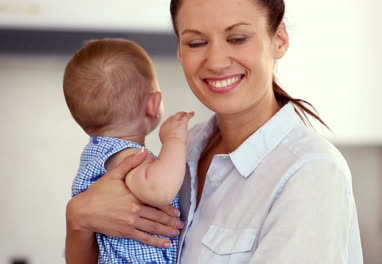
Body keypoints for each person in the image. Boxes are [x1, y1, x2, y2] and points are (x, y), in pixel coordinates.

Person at [65, 0, 364, 263]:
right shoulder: (182, 149)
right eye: (196, 43)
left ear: (280, 39)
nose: (217, 62)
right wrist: (78, 220)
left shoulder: (311, 174)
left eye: (237, 38)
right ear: (180, 51)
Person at [63, 38, 193, 263]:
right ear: (154, 103)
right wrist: (173, 140)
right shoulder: (127, 156)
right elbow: (158, 190)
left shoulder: (94, 155)